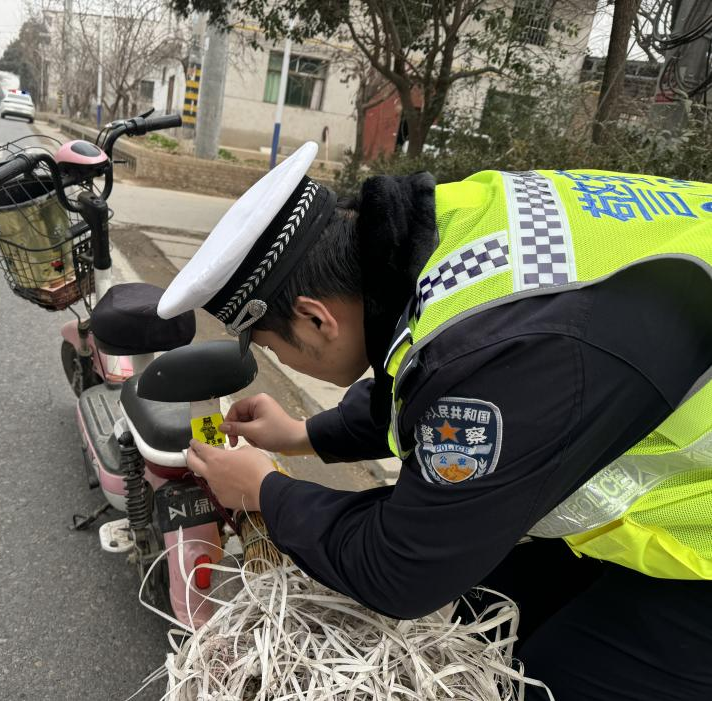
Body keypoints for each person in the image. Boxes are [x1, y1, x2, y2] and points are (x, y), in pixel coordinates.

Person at [157, 143, 712, 700]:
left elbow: (402, 569)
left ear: (315, 317)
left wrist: (265, 492)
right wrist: (305, 434)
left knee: (544, 684)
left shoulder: (517, 349)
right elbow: (430, 378)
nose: (285, 365)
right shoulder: (449, 229)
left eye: (277, 351)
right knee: (487, 614)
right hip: (617, 411)